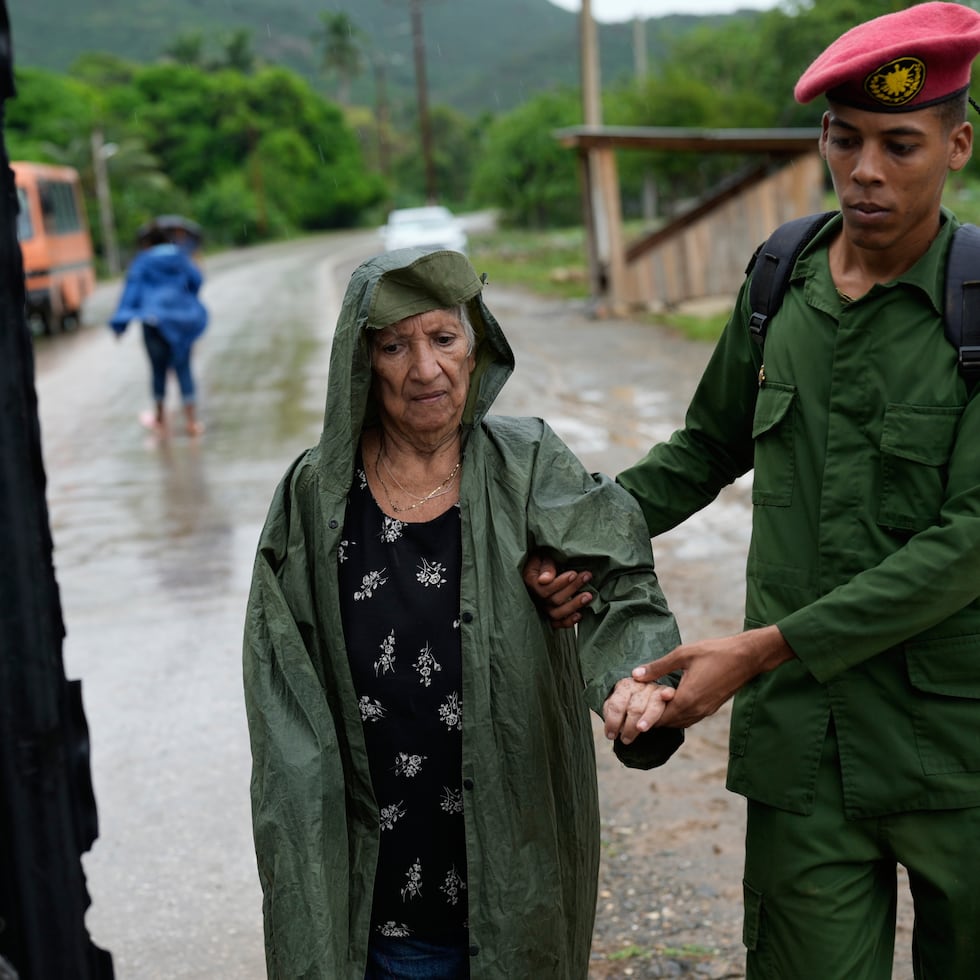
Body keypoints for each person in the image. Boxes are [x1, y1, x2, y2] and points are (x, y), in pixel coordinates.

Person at [526, 4, 980, 978]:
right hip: (802, 753)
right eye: (843, 138)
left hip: (957, 749)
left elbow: (967, 540)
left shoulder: (974, 309)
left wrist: (762, 647)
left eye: (898, 144)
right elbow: (702, 447)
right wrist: (571, 541)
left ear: (955, 144)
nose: (864, 169)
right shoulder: (781, 281)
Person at [242, 246, 685, 979]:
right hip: (370, 898)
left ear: (476, 352)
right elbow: (279, 690)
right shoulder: (313, 496)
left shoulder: (532, 462)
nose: (425, 369)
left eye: (444, 339)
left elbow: (617, 577)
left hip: (511, 874)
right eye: (394, 346)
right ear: (361, 364)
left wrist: (633, 683)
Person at [109, 224, 208, 436]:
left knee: (158, 370)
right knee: (183, 368)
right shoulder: (181, 257)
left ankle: (161, 419)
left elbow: (131, 292)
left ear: (147, 243)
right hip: (182, 322)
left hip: (153, 321)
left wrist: (120, 324)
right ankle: (191, 422)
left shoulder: (143, 261)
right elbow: (197, 281)